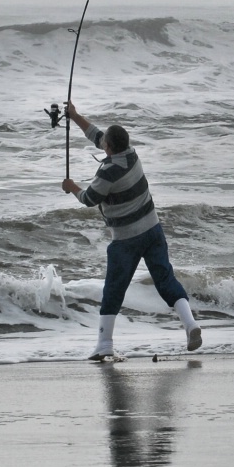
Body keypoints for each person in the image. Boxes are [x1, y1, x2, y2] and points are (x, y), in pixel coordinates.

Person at [61, 101, 202, 360]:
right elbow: (97, 136)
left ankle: (105, 344)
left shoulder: (108, 173)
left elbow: (89, 199)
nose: (102, 144)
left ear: (110, 148)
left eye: (105, 144)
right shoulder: (131, 154)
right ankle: (191, 325)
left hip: (126, 239)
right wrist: (75, 116)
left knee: (114, 288)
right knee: (166, 279)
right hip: (153, 229)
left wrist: (71, 187)